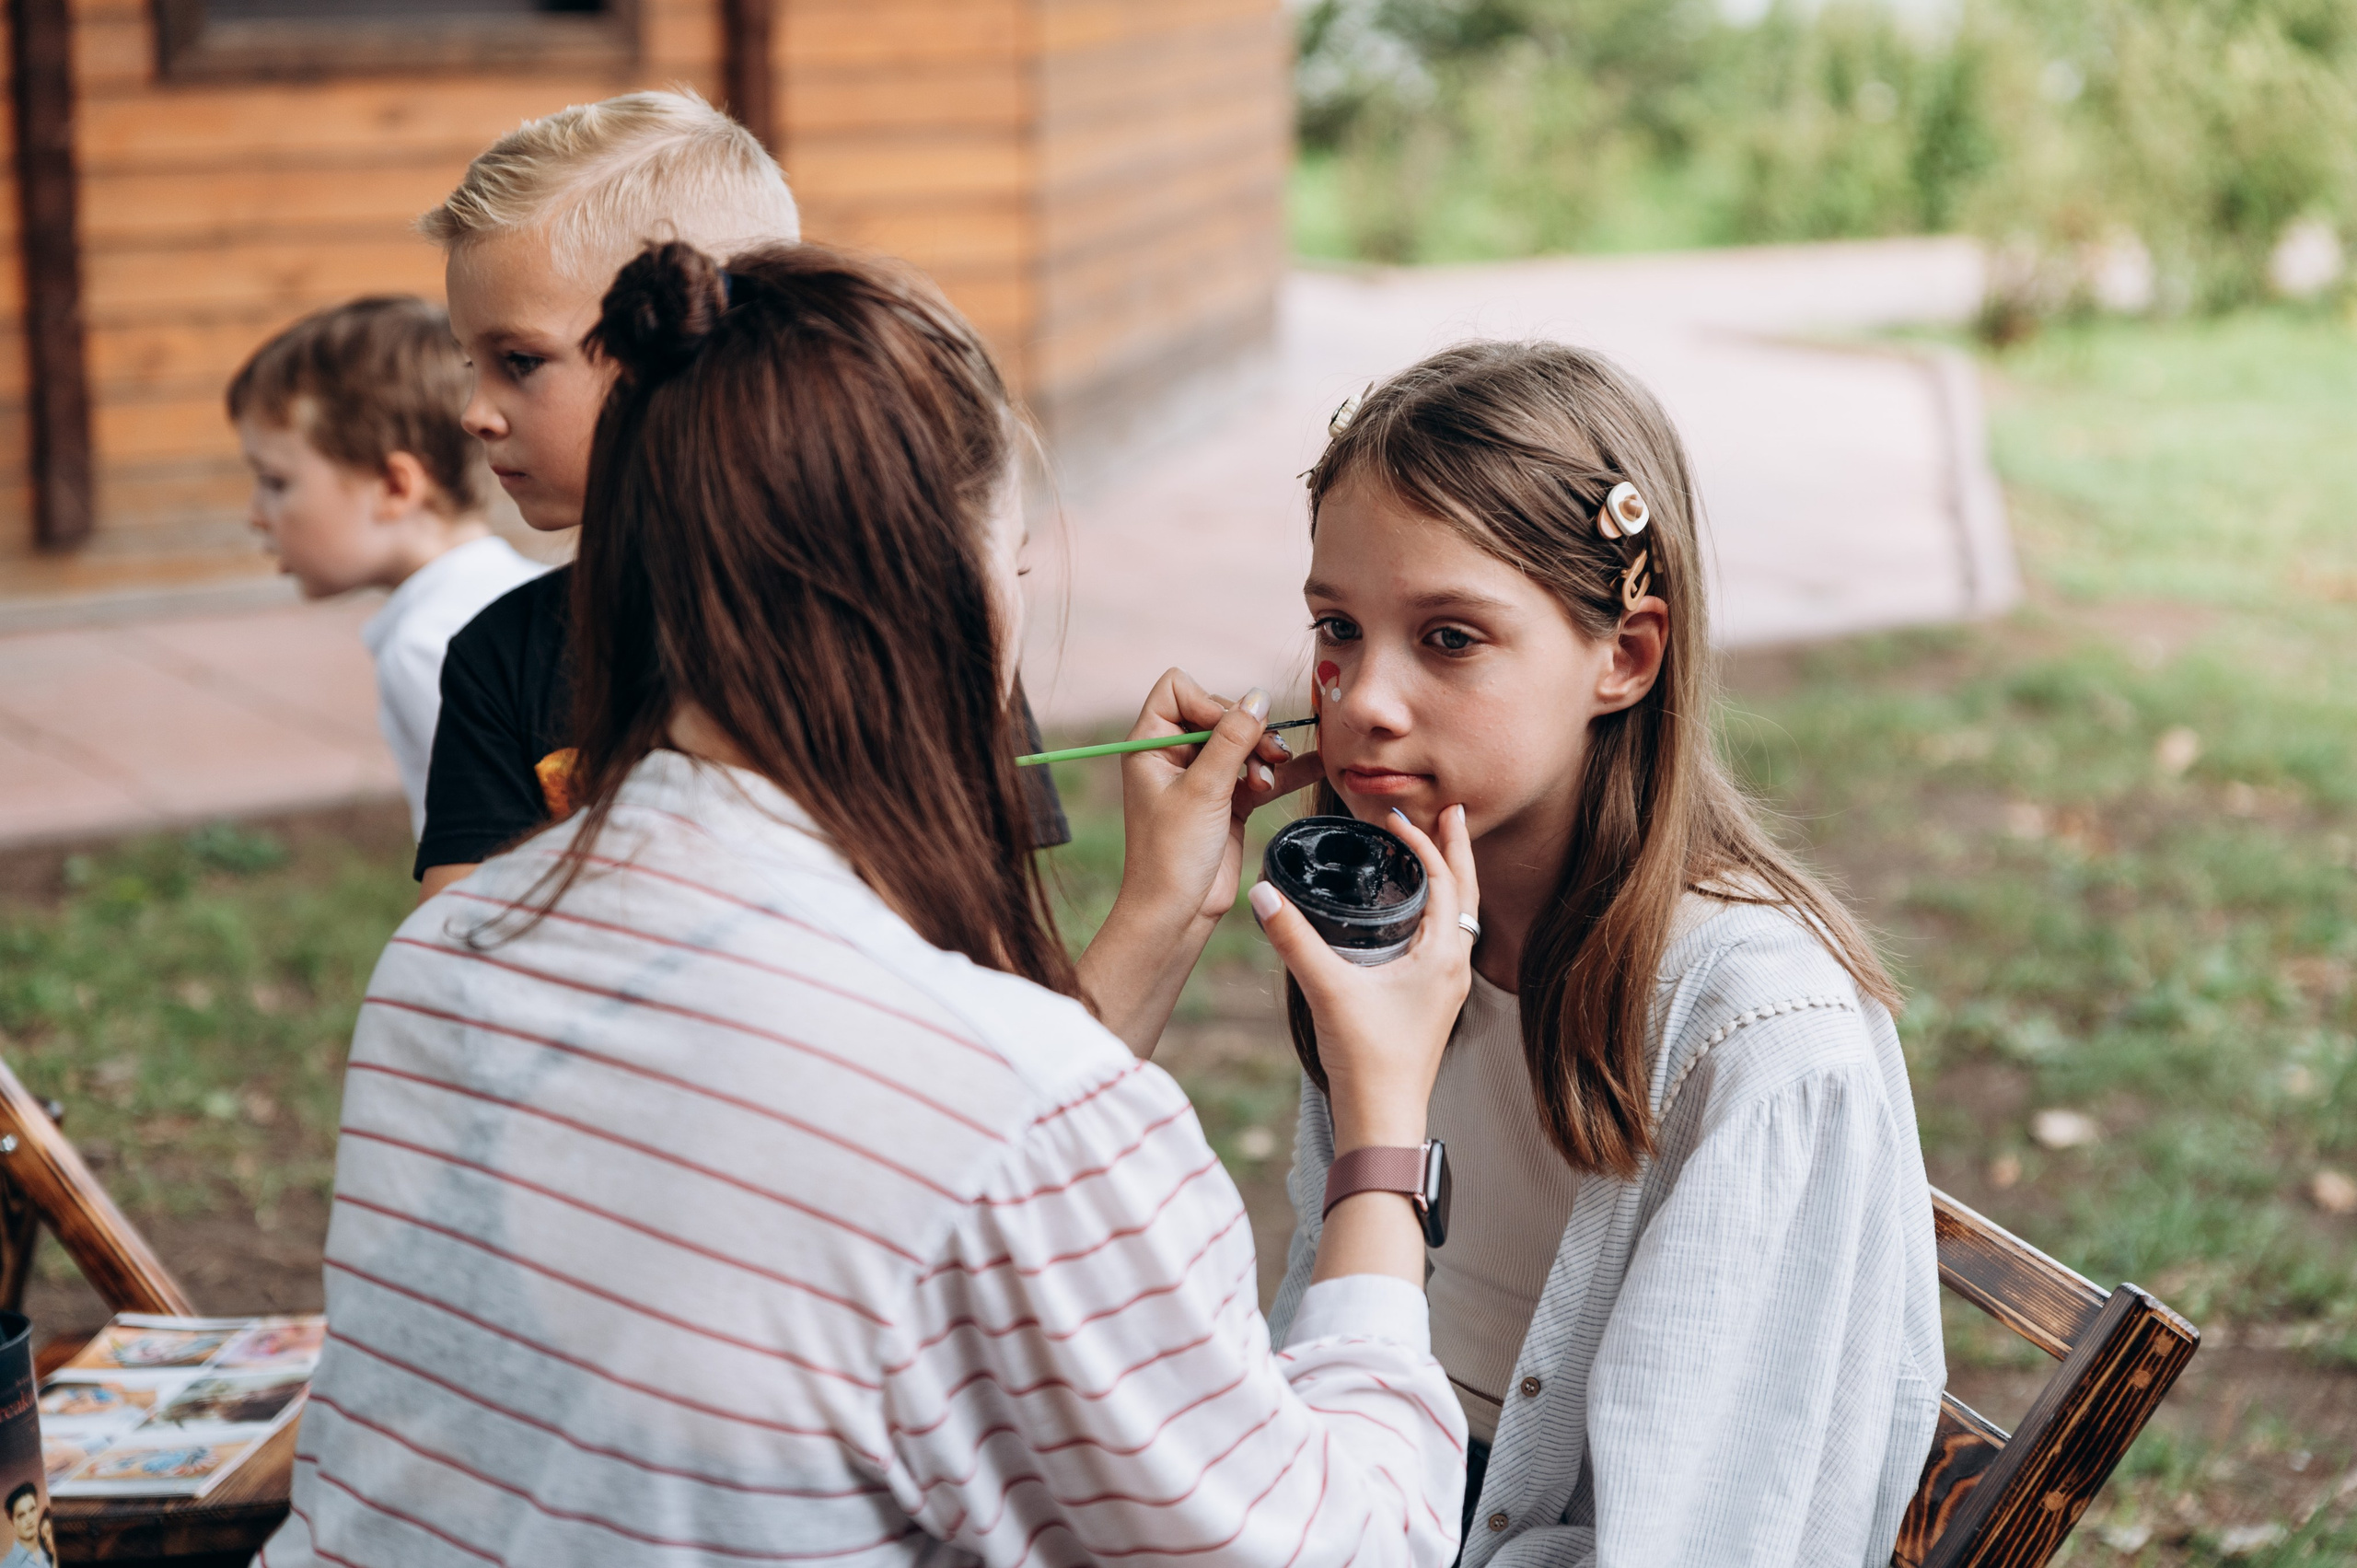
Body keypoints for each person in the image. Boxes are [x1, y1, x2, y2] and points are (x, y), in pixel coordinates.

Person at [263, 241, 1474, 1566]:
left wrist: (1159, 915)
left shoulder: (447, 952)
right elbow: (1346, 1546)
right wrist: (1384, 1126)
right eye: (1012, 568)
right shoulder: (1017, 1110)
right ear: (944, 585)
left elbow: (887, 1177)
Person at [1247, 343, 1945, 1566]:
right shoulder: (1385, 922)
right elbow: (1326, 1317)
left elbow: (1709, 1528)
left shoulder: (1757, 1033)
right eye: (1338, 628)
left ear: (1624, 654)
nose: (1362, 699)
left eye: (1450, 637)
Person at [409, 87, 1069, 899]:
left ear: (684, 333)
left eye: (520, 362)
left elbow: (998, 974)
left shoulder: (913, 619)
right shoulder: (499, 661)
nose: (475, 413)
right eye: (470, 364)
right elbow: (458, 970)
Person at [227, 296, 546, 839]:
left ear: (395, 487)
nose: (256, 515)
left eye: (277, 482)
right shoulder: (530, 591)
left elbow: (496, 851)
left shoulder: (429, 649)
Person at [2, 1482, 50, 1568]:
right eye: (21, 1515)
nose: (29, 1519)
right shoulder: (7, 1565)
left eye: (32, 1510)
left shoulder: (51, 1548)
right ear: (12, 1522)